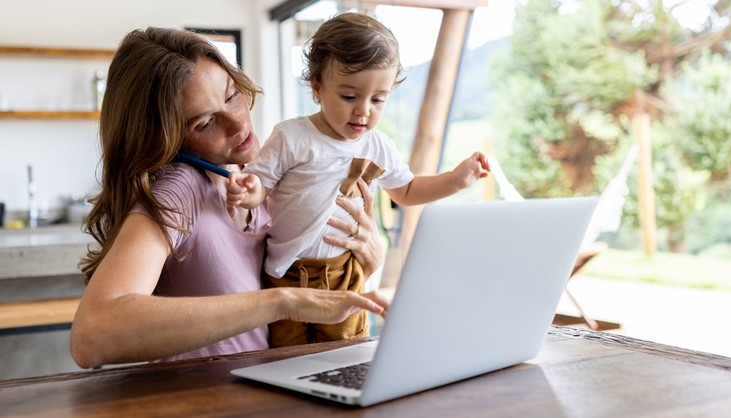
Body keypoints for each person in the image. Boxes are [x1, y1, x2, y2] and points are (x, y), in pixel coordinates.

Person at [69, 26, 390, 369]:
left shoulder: (257, 180)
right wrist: (283, 301)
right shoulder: (180, 190)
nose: (239, 124)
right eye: (206, 123)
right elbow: (92, 335)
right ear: (165, 139)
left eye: (232, 94)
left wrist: (367, 263)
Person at [226, 12, 491, 348]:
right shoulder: (292, 136)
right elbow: (260, 184)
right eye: (349, 97)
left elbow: (407, 190)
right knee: (284, 351)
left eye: (378, 99)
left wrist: (456, 179)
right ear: (317, 88)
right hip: (287, 273)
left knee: (347, 349)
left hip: (345, 273)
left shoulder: (378, 145)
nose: (364, 110)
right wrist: (248, 192)